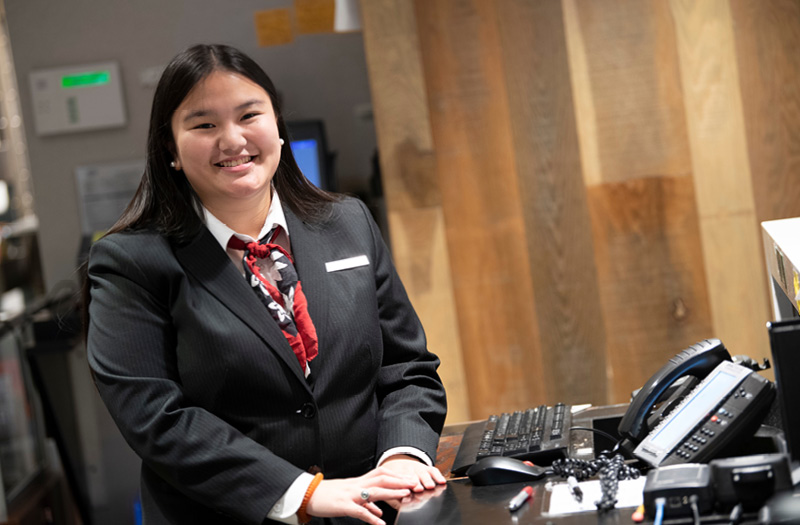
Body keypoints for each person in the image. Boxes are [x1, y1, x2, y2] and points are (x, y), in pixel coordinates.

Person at [83, 44, 447, 525]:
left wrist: (401, 456)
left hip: (372, 511)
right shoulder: (131, 262)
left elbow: (407, 367)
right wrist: (303, 495)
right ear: (169, 148)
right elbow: (156, 419)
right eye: (204, 124)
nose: (232, 140)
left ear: (277, 125)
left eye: (249, 115)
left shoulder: (347, 222)